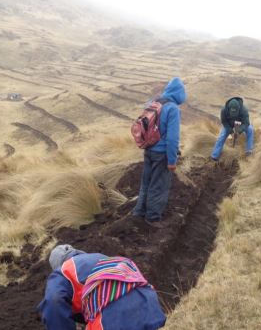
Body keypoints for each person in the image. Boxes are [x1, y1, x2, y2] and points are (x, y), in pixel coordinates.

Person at [38, 244, 166, 330]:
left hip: (116, 321)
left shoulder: (63, 271)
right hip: (149, 308)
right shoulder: (102, 258)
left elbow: (53, 302)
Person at [132, 77, 186, 226]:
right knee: (159, 186)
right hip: (161, 154)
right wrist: (172, 161)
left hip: (148, 149)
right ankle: (153, 218)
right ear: (179, 93)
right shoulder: (173, 108)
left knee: (146, 183)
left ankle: (139, 213)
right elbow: (172, 139)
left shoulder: (155, 103)